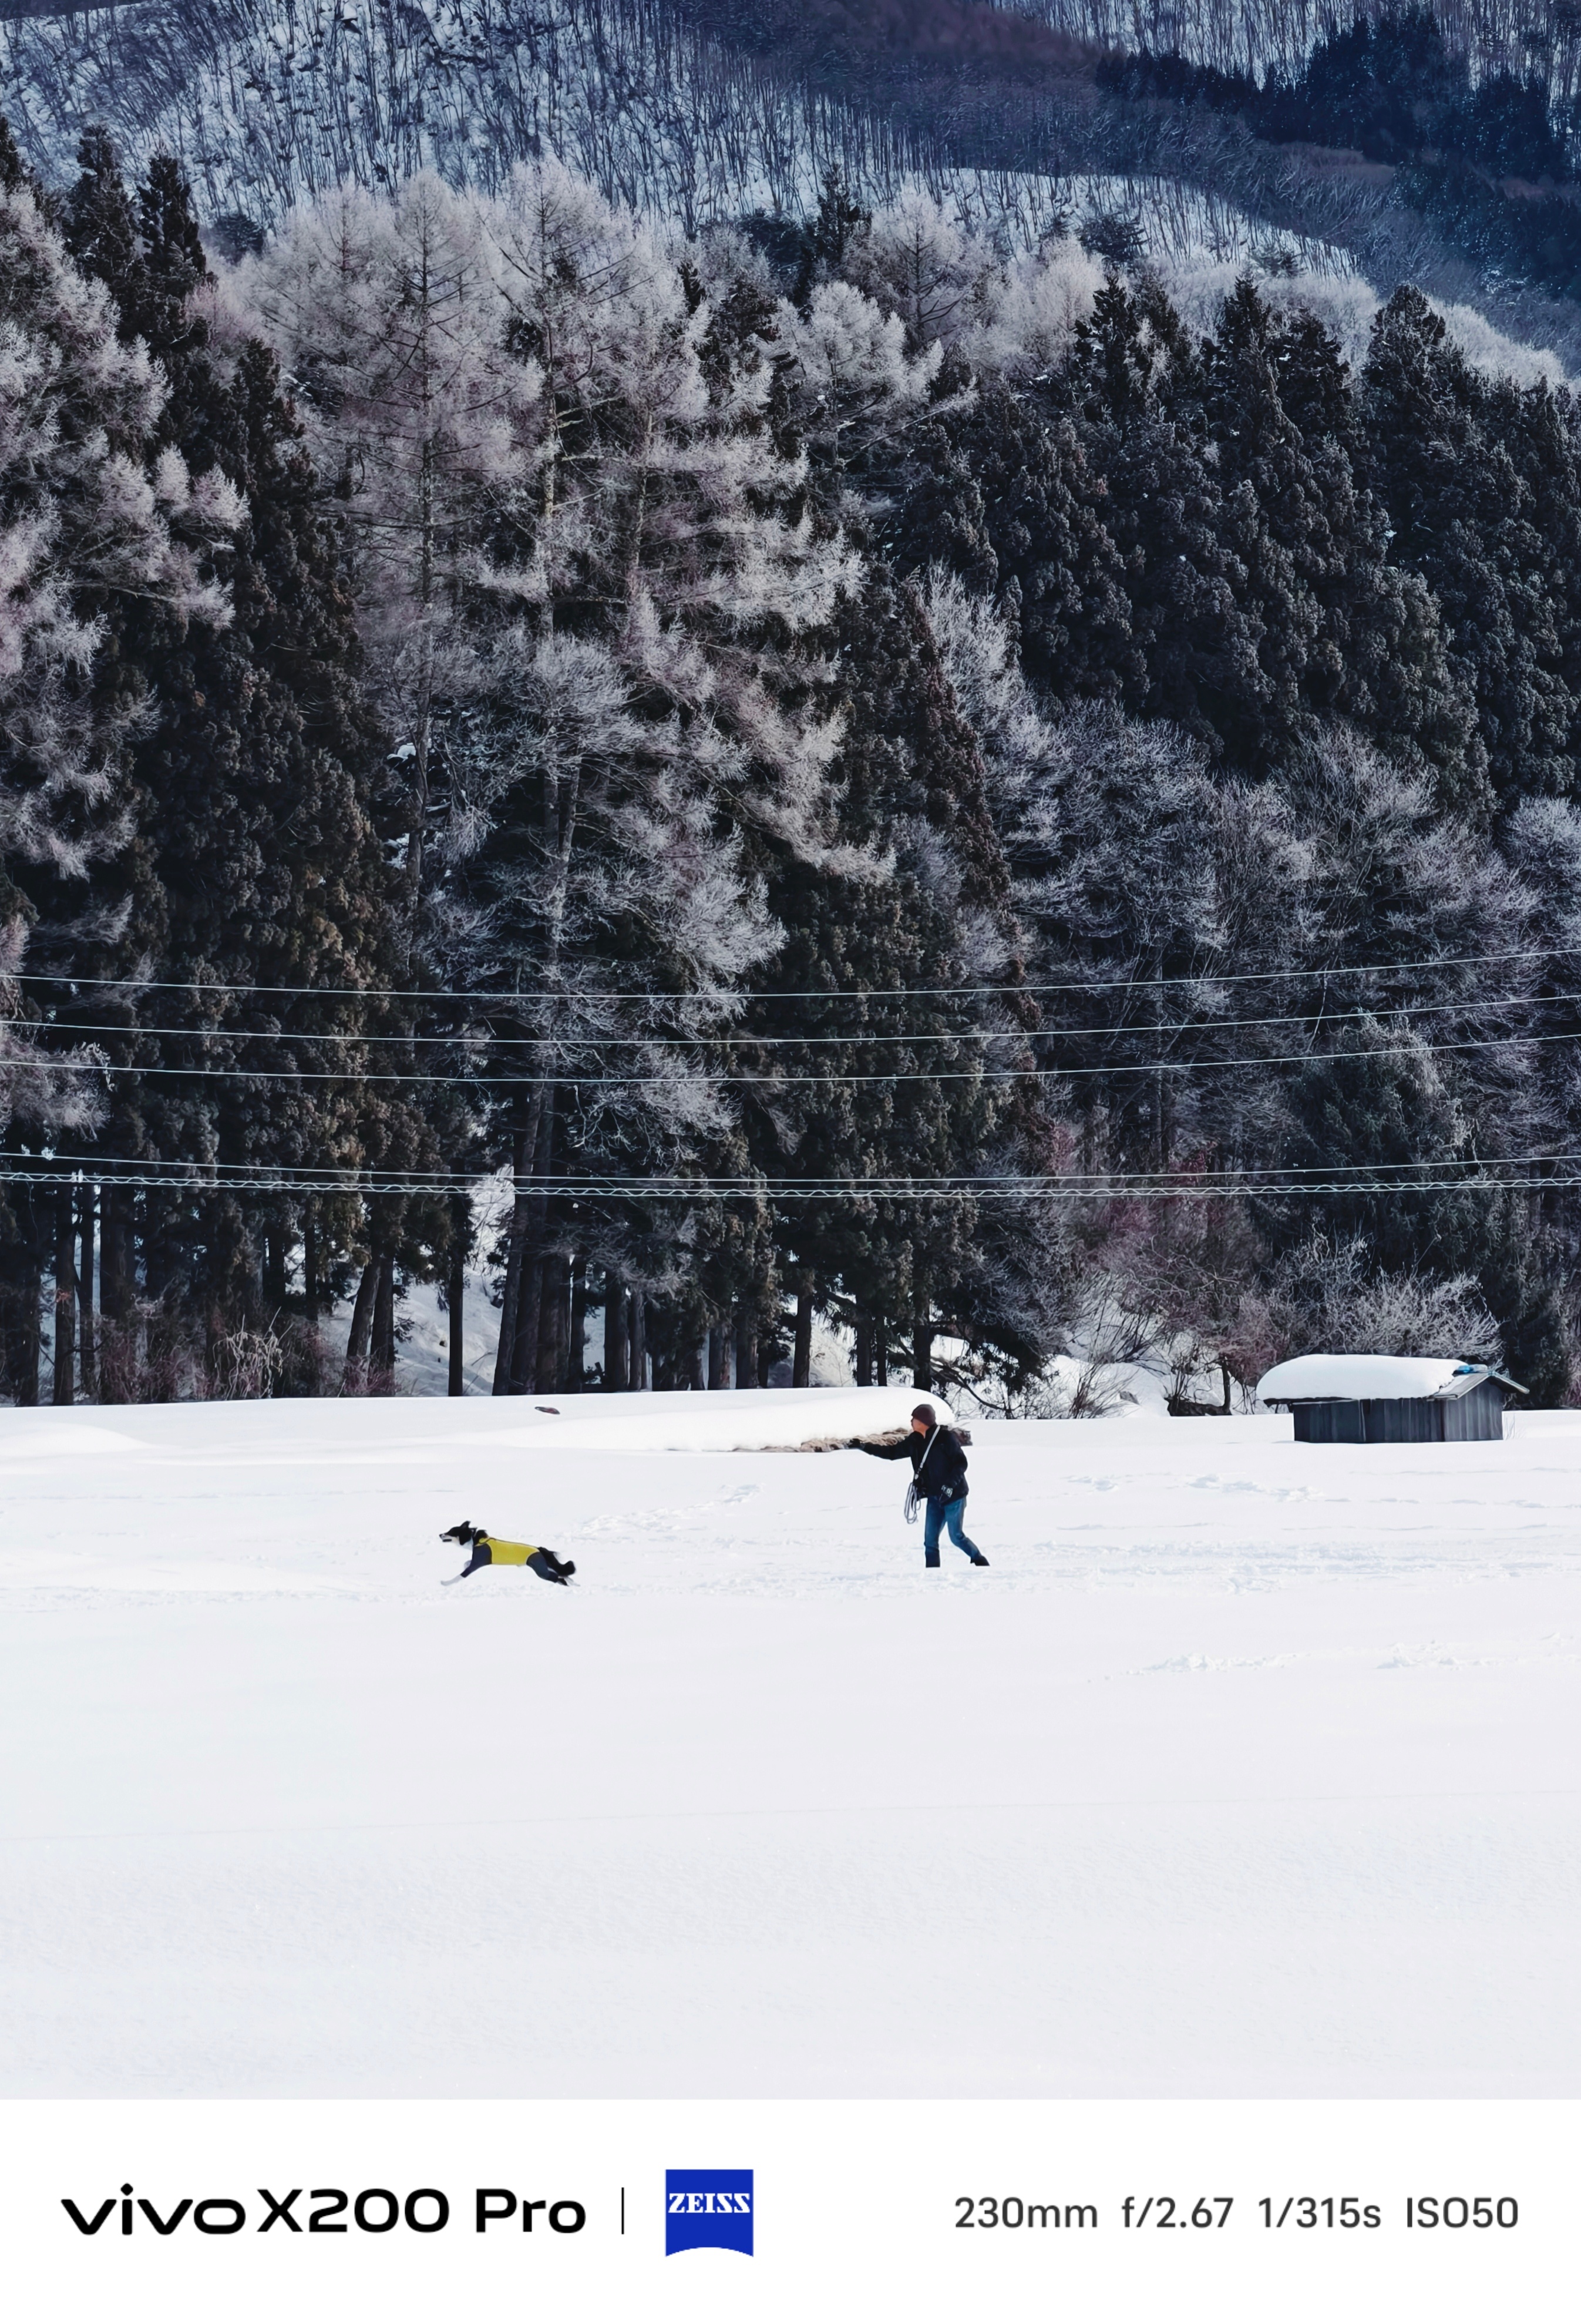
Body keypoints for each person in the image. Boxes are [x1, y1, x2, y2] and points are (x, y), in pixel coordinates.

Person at [850, 1402, 989, 1569]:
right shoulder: (915, 1441)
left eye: (914, 1418)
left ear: (923, 1421)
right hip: (934, 1497)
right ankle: (932, 1574)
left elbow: (961, 1463)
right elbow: (892, 1453)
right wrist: (865, 1447)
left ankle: (980, 1561)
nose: (911, 1422)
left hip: (954, 1497)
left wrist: (950, 1485)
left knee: (956, 1536)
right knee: (930, 1541)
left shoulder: (945, 1438)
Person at [439, 1521, 576, 1586]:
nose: (445, 1537)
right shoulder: (483, 1544)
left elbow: (468, 1571)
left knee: (544, 1574)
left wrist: (449, 1583)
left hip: (530, 1556)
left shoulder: (482, 1550)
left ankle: (565, 1582)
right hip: (530, 1554)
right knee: (546, 1572)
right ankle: (563, 1578)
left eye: (450, 1535)